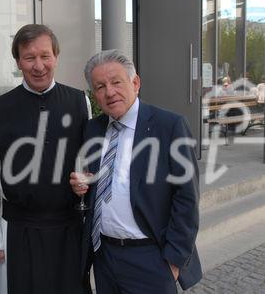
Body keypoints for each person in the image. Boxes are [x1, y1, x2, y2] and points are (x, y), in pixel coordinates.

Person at [70, 49, 202, 293]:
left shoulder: (169, 126)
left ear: (135, 82)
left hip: (151, 258)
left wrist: (173, 261)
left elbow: (187, 198)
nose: (109, 92)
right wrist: (82, 186)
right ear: (94, 94)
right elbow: (95, 186)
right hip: (104, 256)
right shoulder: (92, 130)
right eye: (100, 87)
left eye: (116, 82)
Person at [0, 24, 92, 294]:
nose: (38, 65)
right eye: (29, 58)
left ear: (56, 56)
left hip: (68, 227)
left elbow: (88, 162)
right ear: (18, 61)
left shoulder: (80, 102)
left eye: (45, 56)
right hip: (19, 229)